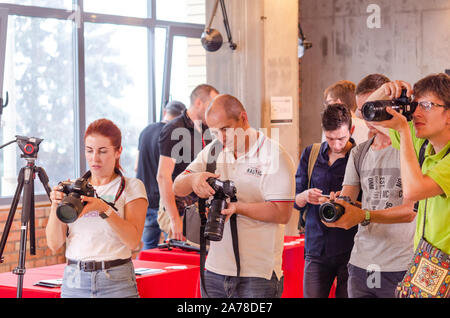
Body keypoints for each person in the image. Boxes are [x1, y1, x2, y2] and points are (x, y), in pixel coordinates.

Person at [173, 94, 295, 298]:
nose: (221, 137)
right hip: (214, 270)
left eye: (225, 129)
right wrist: (195, 180)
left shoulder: (274, 155)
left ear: (243, 118)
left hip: (257, 275)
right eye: (214, 132)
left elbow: (282, 213)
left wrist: (237, 208)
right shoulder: (214, 150)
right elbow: (177, 186)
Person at [322, 75, 417, 298]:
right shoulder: (359, 152)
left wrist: (364, 214)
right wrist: (338, 206)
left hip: (401, 264)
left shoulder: (411, 148)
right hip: (362, 262)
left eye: (372, 108)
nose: (368, 118)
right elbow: (348, 198)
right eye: (363, 110)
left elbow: (410, 211)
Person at [46, 118, 148, 298]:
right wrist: (56, 204)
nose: (95, 158)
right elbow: (54, 244)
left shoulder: (131, 186)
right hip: (74, 279)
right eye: (89, 150)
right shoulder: (73, 190)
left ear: (118, 151)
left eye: (102, 151)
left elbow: (133, 241)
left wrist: (104, 209)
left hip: (116, 279)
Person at [368, 73, 450, 255]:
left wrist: (403, 130)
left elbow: (414, 191)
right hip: (427, 262)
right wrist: (384, 91)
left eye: (427, 106)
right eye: (415, 105)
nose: (416, 113)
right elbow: (369, 117)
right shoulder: (424, 143)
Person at [294, 104, 357, 298]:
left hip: (351, 249)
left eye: (341, 138)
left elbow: (369, 205)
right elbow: (296, 201)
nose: (336, 145)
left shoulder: (359, 157)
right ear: (323, 132)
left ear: (351, 130)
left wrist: (345, 201)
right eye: (330, 138)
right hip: (316, 248)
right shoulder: (311, 154)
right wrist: (306, 196)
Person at [157, 84, 219, 241]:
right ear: (199, 103)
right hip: (177, 207)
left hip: (199, 207)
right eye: (211, 105)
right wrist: (174, 219)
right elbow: (163, 176)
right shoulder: (174, 129)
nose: (214, 110)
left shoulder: (208, 130)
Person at [135, 101, 186, 250]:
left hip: (145, 198)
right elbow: (172, 173)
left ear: (165, 112)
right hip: (164, 201)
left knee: (149, 247)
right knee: (172, 248)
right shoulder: (174, 135)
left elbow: (136, 166)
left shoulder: (146, 131)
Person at [322, 80, 370, 145]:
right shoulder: (369, 127)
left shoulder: (331, 126)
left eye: (329, 102)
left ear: (338, 103)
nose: (327, 107)